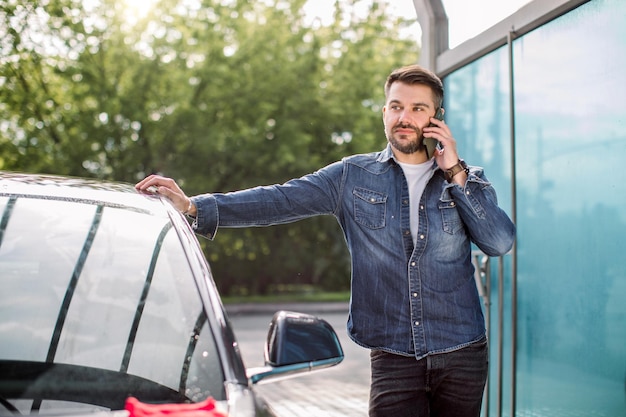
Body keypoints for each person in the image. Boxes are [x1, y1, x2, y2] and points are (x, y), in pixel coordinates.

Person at [136, 64, 516, 417]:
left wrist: (455, 172)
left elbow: (498, 243)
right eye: (396, 106)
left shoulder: (467, 178)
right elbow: (280, 199)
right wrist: (192, 207)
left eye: (418, 108)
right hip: (394, 355)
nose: (405, 117)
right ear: (384, 112)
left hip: (462, 352)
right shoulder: (351, 176)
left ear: (436, 119)